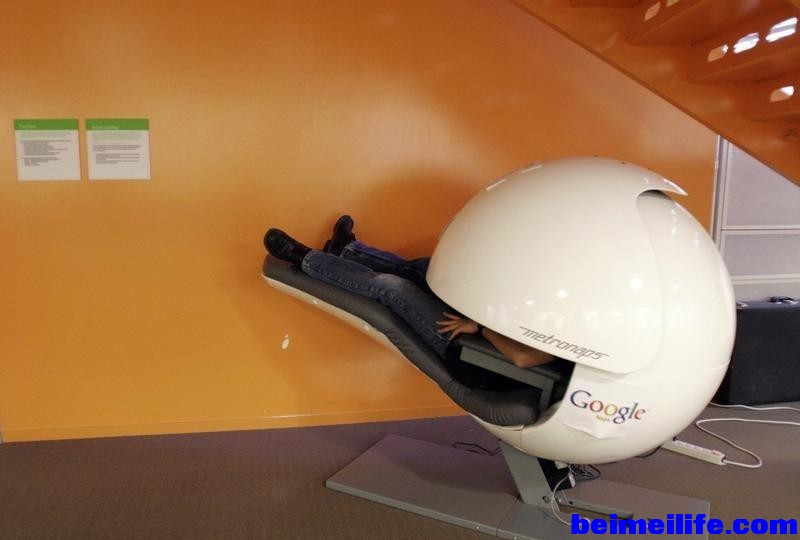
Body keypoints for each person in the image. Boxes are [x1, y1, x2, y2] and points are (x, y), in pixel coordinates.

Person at [264, 216, 554, 370]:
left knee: (396, 288)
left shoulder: (576, 346)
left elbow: (524, 357)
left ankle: (304, 258)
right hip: (480, 323)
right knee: (430, 269)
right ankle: (346, 250)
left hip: (470, 351)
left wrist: (479, 327)